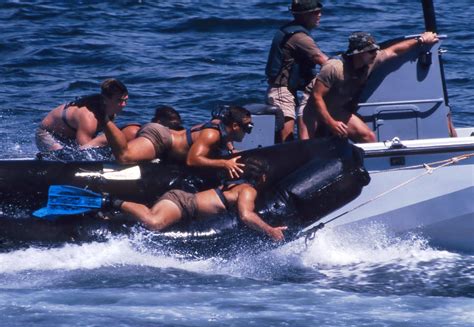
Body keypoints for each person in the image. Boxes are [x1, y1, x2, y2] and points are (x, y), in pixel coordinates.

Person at [105, 158, 287, 242]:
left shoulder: (237, 184)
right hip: (183, 203)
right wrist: (270, 230)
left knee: (150, 220)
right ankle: (112, 201)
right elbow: (246, 215)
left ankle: (116, 212)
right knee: (154, 222)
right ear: (262, 177)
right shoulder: (248, 190)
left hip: (184, 206)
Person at [304, 31, 439, 142]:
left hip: (335, 108)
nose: (375, 53)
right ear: (358, 53)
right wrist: (331, 123)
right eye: (370, 51)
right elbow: (316, 97)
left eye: (375, 50)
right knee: (308, 147)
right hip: (311, 107)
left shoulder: (371, 61)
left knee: (368, 137)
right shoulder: (334, 67)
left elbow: (394, 51)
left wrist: (421, 40)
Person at [101, 105, 254, 179]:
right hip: (161, 139)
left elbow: (224, 136)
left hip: (165, 141)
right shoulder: (211, 135)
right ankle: (103, 118)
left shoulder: (222, 128)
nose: (248, 132)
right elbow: (192, 160)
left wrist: (232, 151)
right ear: (234, 126)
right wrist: (224, 163)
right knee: (124, 157)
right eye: (247, 128)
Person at [265, 0, 328, 142]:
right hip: (281, 90)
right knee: (285, 137)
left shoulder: (290, 30)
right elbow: (322, 60)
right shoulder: (299, 37)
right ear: (305, 16)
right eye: (315, 13)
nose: (320, 15)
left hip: (288, 89)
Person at [36, 78, 128, 152]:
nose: (124, 105)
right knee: (63, 154)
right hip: (47, 134)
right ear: (106, 99)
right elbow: (84, 152)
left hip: (71, 135)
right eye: (119, 101)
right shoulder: (88, 117)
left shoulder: (111, 111)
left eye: (125, 100)